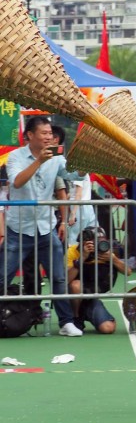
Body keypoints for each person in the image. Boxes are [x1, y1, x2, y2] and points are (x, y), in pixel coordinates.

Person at [4, 116, 83, 337]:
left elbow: (71, 174)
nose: (49, 137)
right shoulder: (16, 156)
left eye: (50, 133)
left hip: (45, 228)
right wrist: (39, 160)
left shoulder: (56, 156)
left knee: (58, 277)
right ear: (30, 135)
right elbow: (17, 181)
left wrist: (83, 170)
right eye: (44, 133)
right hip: (18, 229)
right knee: (4, 276)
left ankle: (66, 322)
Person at [67, 226, 128, 334]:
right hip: (73, 298)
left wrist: (113, 259)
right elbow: (66, 279)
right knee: (76, 284)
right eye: (94, 242)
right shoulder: (73, 251)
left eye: (100, 242)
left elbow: (128, 271)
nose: (97, 245)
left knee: (108, 328)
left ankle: (89, 312)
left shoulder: (106, 251)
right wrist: (83, 258)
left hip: (90, 297)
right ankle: (76, 317)